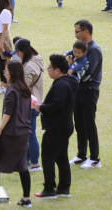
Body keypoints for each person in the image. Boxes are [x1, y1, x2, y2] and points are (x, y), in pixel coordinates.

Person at [0, 61, 32, 208]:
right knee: (22, 166)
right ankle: (26, 199)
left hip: (11, 133)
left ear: (12, 73)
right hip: (23, 132)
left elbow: (7, 113)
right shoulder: (25, 90)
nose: (4, 72)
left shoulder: (11, 90)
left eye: (6, 70)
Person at [33, 54, 78, 199]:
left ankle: (49, 189)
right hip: (65, 125)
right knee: (61, 157)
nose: (48, 70)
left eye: (50, 67)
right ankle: (64, 188)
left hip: (57, 127)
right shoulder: (69, 82)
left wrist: (41, 108)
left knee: (47, 157)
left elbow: (57, 105)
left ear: (58, 70)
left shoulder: (61, 85)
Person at [71, 20, 103, 169]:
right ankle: (81, 155)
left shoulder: (94, 49)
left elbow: (89, 71)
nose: (75, 34)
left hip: (90, 90)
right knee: (79, 122)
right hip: (79, 89)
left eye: (77, 31)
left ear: (86, 32)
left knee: (89, 123)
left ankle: (95, 158)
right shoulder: (80, 48)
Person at [14, 38, 45, 172]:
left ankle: (35, 163)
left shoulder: (27, 67)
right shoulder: (37, 59)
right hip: (36, 102)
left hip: (29, 105)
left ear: (22, 51)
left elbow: (24, 89)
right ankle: (25, 161)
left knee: (30, 135)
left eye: (18, 52)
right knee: (27, 134)